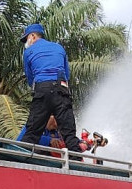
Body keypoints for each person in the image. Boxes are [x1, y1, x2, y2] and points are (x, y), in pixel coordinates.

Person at [20, 23, 88, 153]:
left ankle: (22, 159)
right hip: (61, 90)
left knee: (32, 132)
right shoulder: (59, 48)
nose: (26, 42)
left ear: (33, 36)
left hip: (42, 90)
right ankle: (76, 161)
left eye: (26, 38)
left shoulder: (28, 52)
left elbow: (30, 78)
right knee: (69, 133)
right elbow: (66, 74)